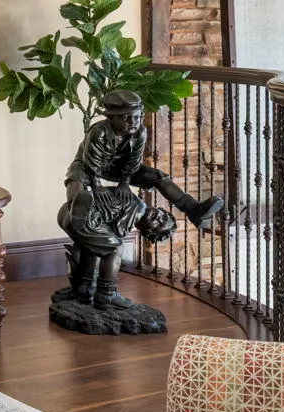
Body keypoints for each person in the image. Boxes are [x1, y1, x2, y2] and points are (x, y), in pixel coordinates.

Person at [57, 89, 222, 314]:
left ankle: (192, 209)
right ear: (111, 118)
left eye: (136, 116)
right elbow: (91, 161)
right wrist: (96, 188)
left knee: (157, 177)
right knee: (77, 192)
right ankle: (84, 271)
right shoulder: (99, 132)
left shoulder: (139, 132)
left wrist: (125, 182)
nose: (133, 121)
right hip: (88, 170)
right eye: (126, 117)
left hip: (118, 169)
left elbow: (133, 163)